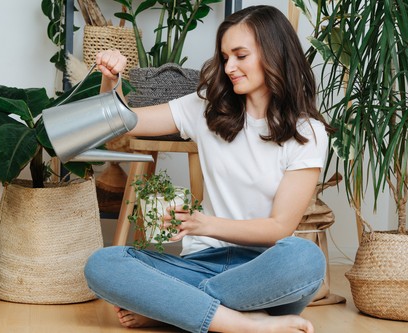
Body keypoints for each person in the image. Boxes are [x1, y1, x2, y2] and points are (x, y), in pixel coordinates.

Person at [84, 5, 332, 333]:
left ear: (274, 54)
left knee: (305, 258)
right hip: (199, 265)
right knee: (102, 264)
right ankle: (247, 325)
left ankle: (174, 308)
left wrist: (205, 224)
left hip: (261, 274)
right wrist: (111, 80)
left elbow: (278, 227)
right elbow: (123, 124)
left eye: (240, 55)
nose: (229, 66)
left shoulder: (308, 133)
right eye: (225, 56)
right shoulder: (206, 108)